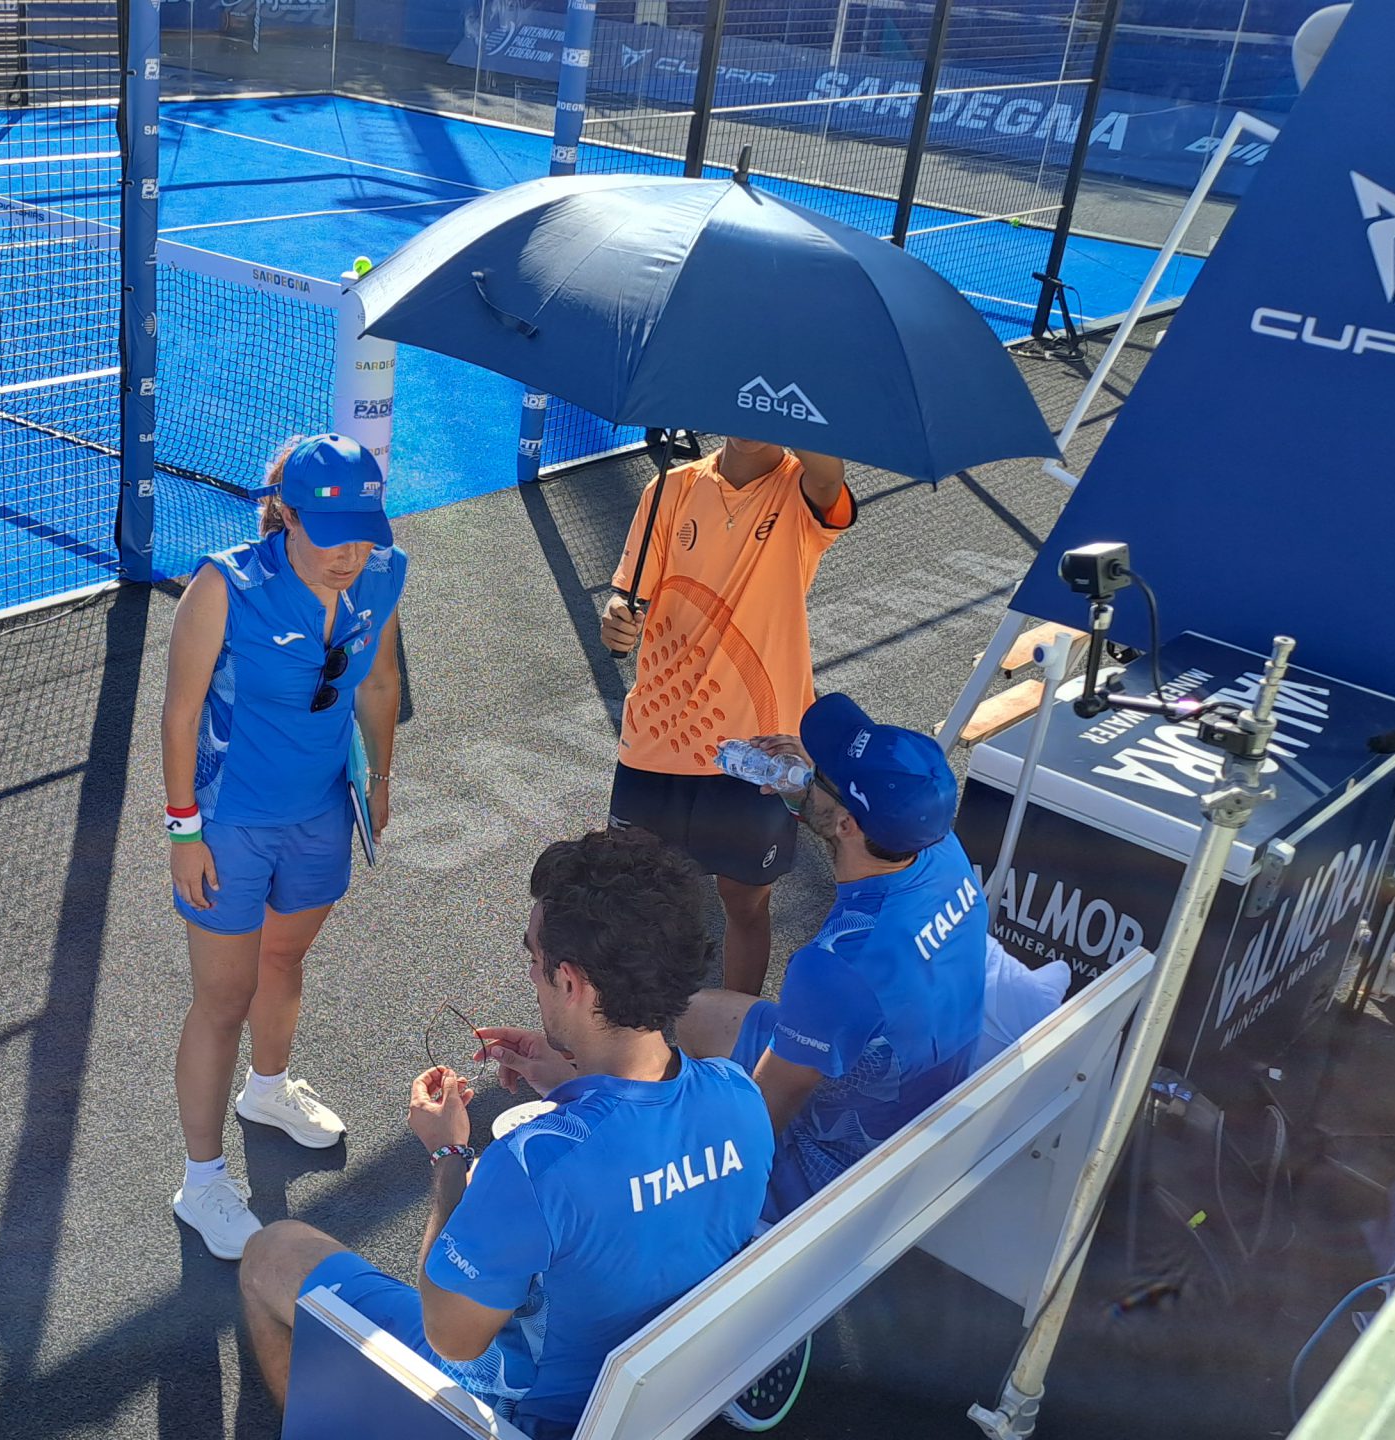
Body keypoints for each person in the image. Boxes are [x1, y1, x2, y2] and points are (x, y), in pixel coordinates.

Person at [237, 829, 773, 1435]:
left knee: (270, 1253)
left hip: (524, 1417)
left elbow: (452, 1336)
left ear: (570, 984)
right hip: (654, 1402)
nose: (532, 975)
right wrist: (568, 1075)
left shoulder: (530, 1168)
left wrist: (447, 1157)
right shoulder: (739, 1095)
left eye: (535, 962)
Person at [676, 693, 987, 1432]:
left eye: (824, 774)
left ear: (847, 821)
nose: (810, 765)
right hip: (927, 1098)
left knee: (679, 1049)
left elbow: (767, 1113)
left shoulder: (836, 966)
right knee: (700, 1011)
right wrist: (804, 790)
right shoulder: (939, 848)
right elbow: (860, 844)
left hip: (849, 1156)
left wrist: (690, 1164)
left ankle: (753, 1272)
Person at [163, 434, 406, 1260]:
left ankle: (267, 1092)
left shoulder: (382, 572)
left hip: (320, 814)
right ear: (287, 517)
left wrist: (377, 781)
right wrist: (183, 830)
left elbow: (376, 680)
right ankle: (201, 1183)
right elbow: (180, 713)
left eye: (365, 531)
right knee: (222, 1000)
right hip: (229, 823)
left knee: (285, 963)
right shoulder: (224, 584)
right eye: (332, 534)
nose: (352, 554)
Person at [601, 436, 856, 996]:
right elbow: (628, 595)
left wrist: (793, 407)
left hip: (761, 747)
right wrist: (617, 614)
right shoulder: (669, 487)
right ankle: (627, 1037)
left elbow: (828, 472)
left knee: (744, 901)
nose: (749, 419)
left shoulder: (802, 491)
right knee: (631, 899)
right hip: (656, 738)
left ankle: (734, 1041)